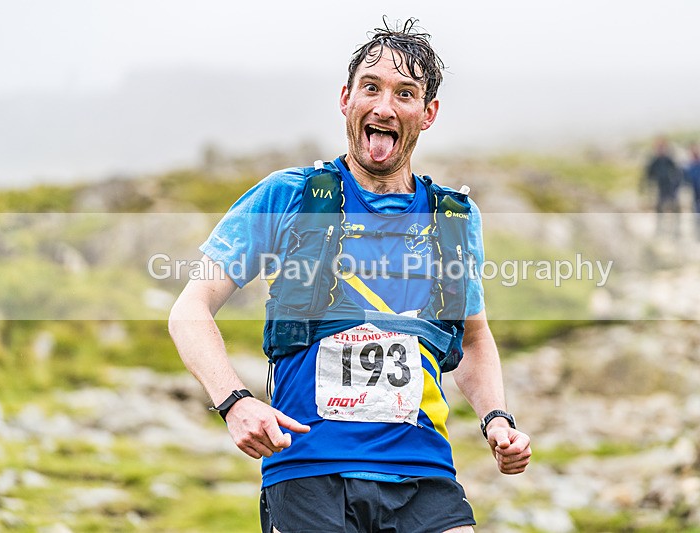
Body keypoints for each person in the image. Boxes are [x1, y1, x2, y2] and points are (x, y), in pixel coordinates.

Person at [168, 18, 531, 533]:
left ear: (428, 114)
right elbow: (190, 309)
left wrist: (497, 419)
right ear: (345, 98)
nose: (384, 106)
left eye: (405, 93)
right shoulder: (287, 196)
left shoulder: (453, 219)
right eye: (371, 87)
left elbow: (472, 340)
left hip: (424, 473)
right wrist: (234, 401)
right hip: (308, 471)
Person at [643, 137, 681, 236]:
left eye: (662, 147)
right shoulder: (654, 162)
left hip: (670, 188)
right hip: (660, 188)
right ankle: (659, 230)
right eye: (659, 147)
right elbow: (648, 175)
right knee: (659, 209)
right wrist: (647, 188)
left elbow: (677, 173)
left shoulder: (669, 160)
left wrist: (675, 184)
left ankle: (676, 230)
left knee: (675, 208)